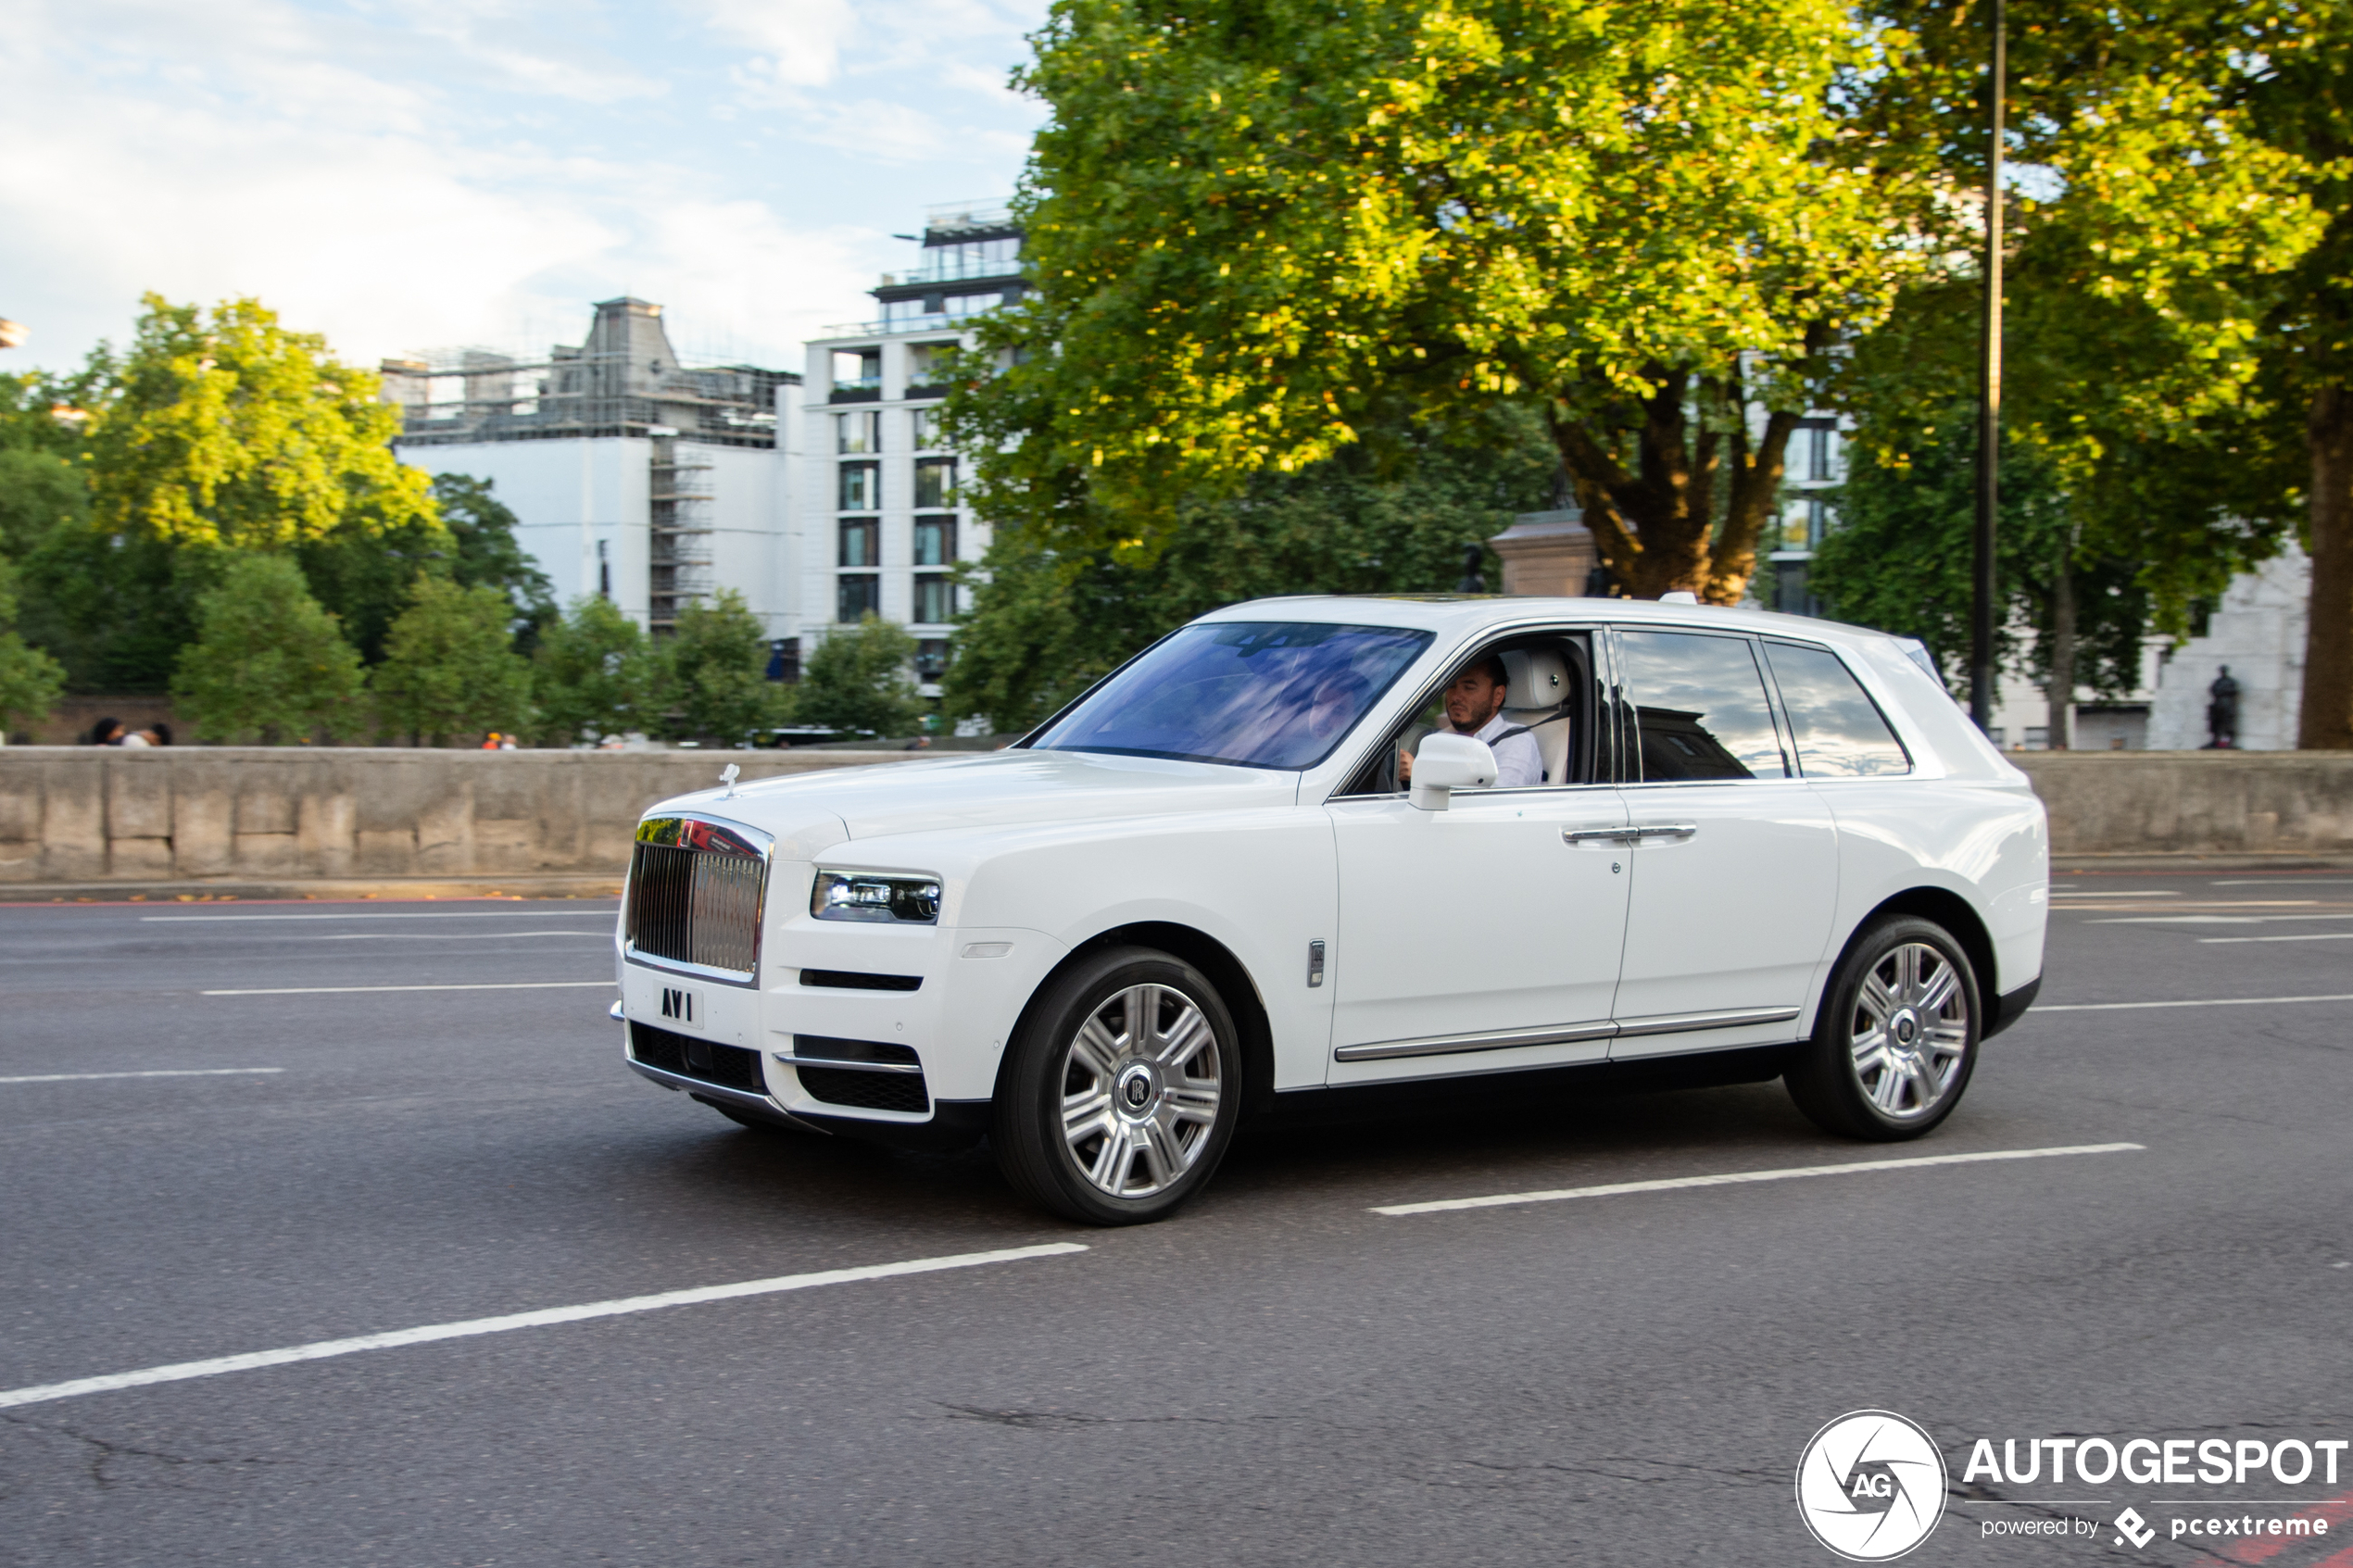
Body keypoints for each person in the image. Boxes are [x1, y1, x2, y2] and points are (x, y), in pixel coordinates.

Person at [1399, 655, 1542, 788]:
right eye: (1451, 686)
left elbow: (1497, 803)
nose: (1456, 696)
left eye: (1469, 688)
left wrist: (1421, 774)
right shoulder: (1440, 739)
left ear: (1497, 695)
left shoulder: (1517, 741)